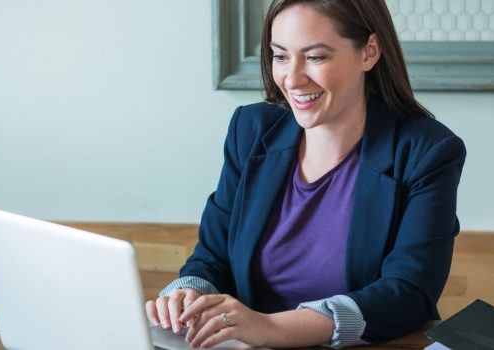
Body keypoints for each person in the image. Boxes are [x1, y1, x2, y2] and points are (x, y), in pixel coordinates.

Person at [145, 0, 466, 348]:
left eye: (315, 57)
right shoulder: (250, 130)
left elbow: (408, 292)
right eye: (280, 55)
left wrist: (270, 328)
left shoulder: (427, 151)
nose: (292, 78)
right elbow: (213, 256)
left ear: (369, 52)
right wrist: (188, 291)